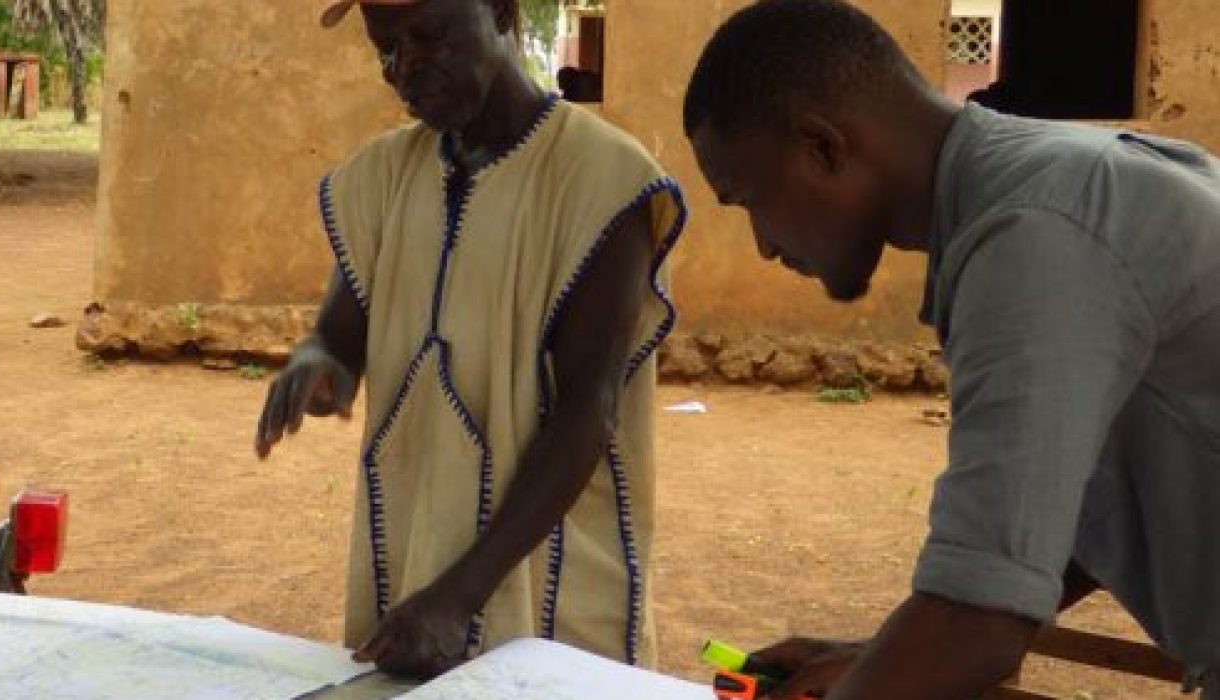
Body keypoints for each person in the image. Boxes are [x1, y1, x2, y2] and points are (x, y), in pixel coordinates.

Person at [682, 1, 1220, 698]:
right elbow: (1056, 529)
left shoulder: (1035, 237)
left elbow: (979, 626)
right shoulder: (1047, 185)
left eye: (751, 200)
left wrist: (933, 638)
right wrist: (886, 651)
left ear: (823, 147)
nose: (763, 245)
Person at [256, 0, 687, 679]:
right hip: (412, 570)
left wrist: (459, 595)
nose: (405, 67)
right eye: (385, 48)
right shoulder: (384, 178)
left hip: (549, 594)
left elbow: (587, 412)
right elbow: (337, 337)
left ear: (501, 11)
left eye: (429, 35)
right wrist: (317, 366)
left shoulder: (604, 183)